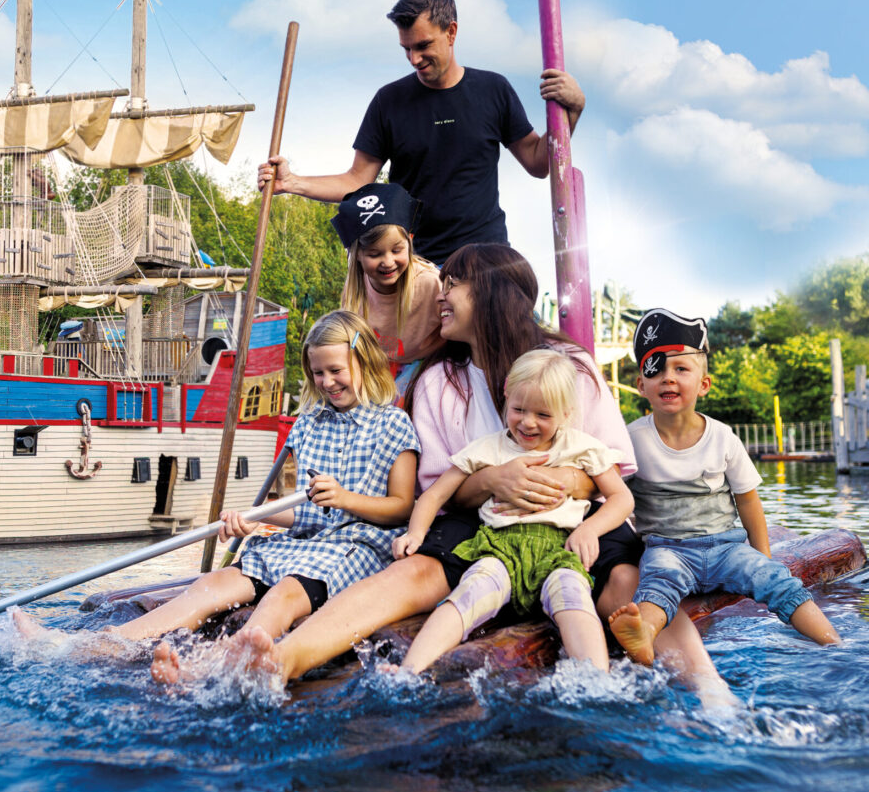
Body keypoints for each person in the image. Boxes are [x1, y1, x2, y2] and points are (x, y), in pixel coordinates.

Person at [219, 245, 728, 702]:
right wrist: (494, 481)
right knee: (413, 572)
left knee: (626, 579)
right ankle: (283, 659)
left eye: (454, 284)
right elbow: (436, 491)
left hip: (575, 517)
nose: (440, 295)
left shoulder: (570, 366)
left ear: (492, 294)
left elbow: (611, 469)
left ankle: (710, 691)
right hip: (480, 520)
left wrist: (556, 483)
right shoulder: (440, 381)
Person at [10, 310, 419, 679]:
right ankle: (84, 646)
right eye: (317, 373)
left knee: (286, 592)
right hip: (303, 545)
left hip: (356, 548)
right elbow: (307, 515)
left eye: (336, 370)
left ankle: (214, 668)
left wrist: (346, 498)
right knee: (212, 584)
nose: (326, 382)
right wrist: (255, 517)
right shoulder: (308, 424)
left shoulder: (393, 423)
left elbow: (402, 508)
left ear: (363, 362)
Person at [257, 0, 586, 264]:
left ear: (451, 31)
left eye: (423, 45)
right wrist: (292, 183)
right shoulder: (389, 101)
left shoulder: (493, 90)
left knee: (522, 336)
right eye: (407, 48)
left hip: (486, 259)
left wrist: (572, 111)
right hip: (415, 263)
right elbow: (357, 180)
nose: (414, 59)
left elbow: (539, 162)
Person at [609, 309, 841, 665]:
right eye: (656, 369)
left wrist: (761, 557)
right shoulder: (631, 439)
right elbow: (614, 494)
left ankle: (833, 642)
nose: (668, 378)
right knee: (658, 582)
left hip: (724, 547)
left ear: (703, 384)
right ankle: (643, 632)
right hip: (667, 548)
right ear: (642, 384)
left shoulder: (722, 437)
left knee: (776, 581)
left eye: (681, 369)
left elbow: (748, 501)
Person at [394, 349, 634, 675]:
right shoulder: (488, 448)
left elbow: (622, 497)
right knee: (468, 594)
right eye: (519, 409)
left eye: (544, 415)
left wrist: (589, 529)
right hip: (498, 548)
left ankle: (596, 681)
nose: (528, 422)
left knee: (574, 597)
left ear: (566, 413)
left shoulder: (581, 447)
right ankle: (409, 670)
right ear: (507, 395)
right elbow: (435, 494)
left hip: (559, 551)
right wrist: (415, 534)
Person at [331, 182, 442, 388]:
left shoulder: (430, 283)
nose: (388, 262)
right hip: (380, 367)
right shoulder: (355, 287)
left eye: (396, 250)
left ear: (409, 241)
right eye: (374, 254)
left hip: (428, 366)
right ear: (358, 255)